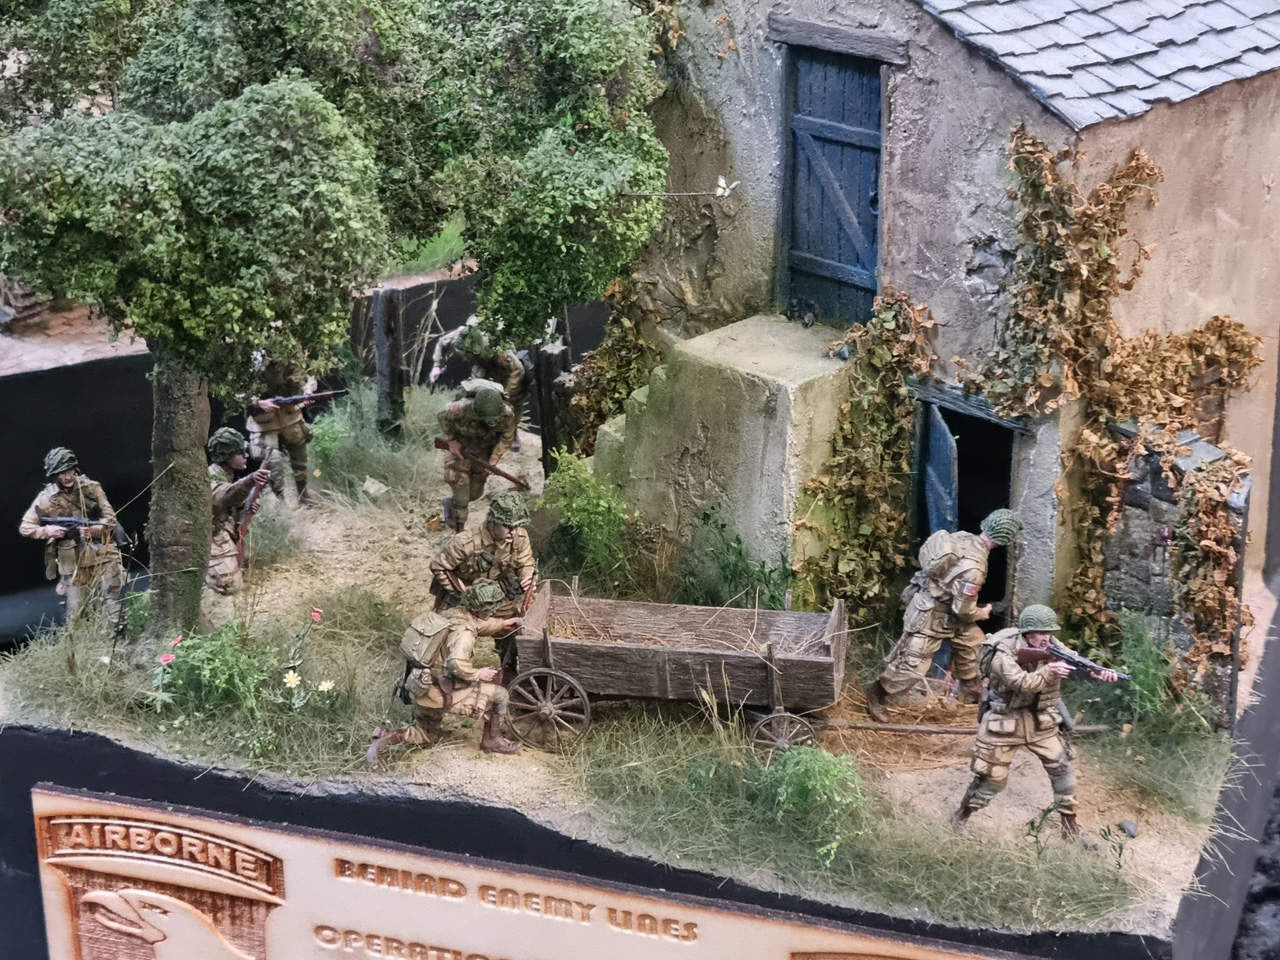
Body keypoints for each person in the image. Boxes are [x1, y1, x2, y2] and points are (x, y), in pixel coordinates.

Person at [952, 604, 1119, 848]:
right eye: (1041, 633)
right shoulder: (1003, 653)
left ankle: (1070, 829)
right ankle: (960, 818)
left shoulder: (1052, 646)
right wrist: (1050, 670)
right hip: (1004, 722)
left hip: (1040, 721)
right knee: (992, 779)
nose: (1047, 638)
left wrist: (1097, 672)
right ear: (1028, 634)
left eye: (1049, 632)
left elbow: (1075, 663)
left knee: (1064, 773)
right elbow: (1023, 684)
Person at [865, 508, 1022, 721]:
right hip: (931, 616)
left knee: (976, 648)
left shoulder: (963, 537)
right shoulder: (975, 569)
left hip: (950, 613)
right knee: (913, 667)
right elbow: (964, 610)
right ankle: (878, 694)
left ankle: (971, 690)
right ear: (1004, 540)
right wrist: (983, 612)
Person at [367, 580, 524, 766]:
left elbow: (478, 625)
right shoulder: (464, 634)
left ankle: (385, 735)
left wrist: (503, 623)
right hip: (441, 690)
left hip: (422, 682)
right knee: (499, 695)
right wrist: (478, 674)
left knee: (425, 733)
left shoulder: (455, 613)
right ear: (483, 609)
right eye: (491, 609)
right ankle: (492, 740)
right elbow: (456, 665)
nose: (492, 612)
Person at [19, 447, 127, 620]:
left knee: (114, 601)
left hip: (102, 553)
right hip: (72, 560)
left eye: (70, 471)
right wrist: (47, 530)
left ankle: (119, 632)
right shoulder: (46, 498)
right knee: (77, 612)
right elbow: (26, 527)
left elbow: (110, 518)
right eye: (62, 473)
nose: (68, 477)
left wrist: (96, 529)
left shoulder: (91, 488)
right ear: (55, 475)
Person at [429, 317, 527, 450]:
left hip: (502, 371)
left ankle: (512, 432)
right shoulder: (461, 335)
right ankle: (477, 430)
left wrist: (506, 395)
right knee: (472, 393)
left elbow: (517, 371)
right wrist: (437, 365)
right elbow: (442, 343)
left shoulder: (500, 349)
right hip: (480, 366)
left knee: (514, 401)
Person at [437, 385, 517, 532]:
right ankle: (459, 529)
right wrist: (451, 440)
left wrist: (494, 457)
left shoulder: (507, 414)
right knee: (460, 484)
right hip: (460, 447)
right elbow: (441, 415)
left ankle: (451, 503)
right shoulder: (461, 408)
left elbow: (507, 439)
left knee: (475, 493)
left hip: (483, 448)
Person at [206, 427, 272, 595]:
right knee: (230, 587)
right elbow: (224, 496)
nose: (246, 455)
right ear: (227, 456)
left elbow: (228, 507)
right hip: (211, 538)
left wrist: (246, 506)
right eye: (240, 453)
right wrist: (249, 481)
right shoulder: (211, 478)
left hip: (223, 530)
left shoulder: (225, 474)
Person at [245, 361, 316, 505]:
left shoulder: (289, 357)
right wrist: (258, 403)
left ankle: (303, 494)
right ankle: (281, 502)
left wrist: (307, 390)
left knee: (300, 458)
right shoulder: (249, 359)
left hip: (291, 418)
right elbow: (238, 393)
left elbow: (308, 376)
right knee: (274, 461)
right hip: (265, 424)